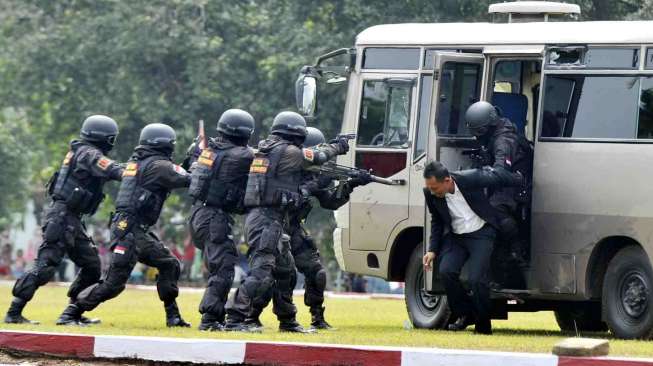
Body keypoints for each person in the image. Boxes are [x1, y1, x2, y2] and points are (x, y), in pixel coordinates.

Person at [224, 111, 349, 333]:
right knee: (262, 272)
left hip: (270, 220)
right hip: (266, 220)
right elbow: (317, 157)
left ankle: (288, 321)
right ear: (296, 133)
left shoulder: (269, 151)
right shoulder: (288, 152)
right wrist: (337, 146)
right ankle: (234, 318)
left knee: (286, 271)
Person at [62, 123, 192, 327]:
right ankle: (70, 313)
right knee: (113, 284)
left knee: (169, 264)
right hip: (129, 232)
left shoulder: (140, 163)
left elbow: (179, 174)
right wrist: (199, 159)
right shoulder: (158, 166)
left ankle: (173, 316)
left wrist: (190, 160)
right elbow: (189, 179)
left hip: (134, 230)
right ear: (167, 144)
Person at [243, 127, 372, 330]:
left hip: (292, 228)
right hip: (272, 223)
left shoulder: (318, 174)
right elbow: (287, 192)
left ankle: (317, 318)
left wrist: (350, 185)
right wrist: (310, 187)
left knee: (316, 271)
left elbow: (331, 202)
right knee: (268, 274)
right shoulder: (284, 166)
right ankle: (250, 316)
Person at [4, 115, 122, 325]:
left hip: (72, 219)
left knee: (92, 266)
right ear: (103, 137)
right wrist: (135, 171)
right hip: (62, 217)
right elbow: (112, 169)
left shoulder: (82, 151)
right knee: (45, 265)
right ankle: (14, 313)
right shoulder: (88, 153)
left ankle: (72, 313)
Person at [421, 161, 523, 335]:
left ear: (447, 180)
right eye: (429, 188)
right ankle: (464, 314)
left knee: (477, 279)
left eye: (435, 188)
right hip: (457, 238)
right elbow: (437, 221)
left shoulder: (469, 178)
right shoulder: (430, 194)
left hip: (481, 233)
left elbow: (495, 177)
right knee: (446, 271)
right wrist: (432, 250)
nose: (432, 191)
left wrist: (518, 178)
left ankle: (483, 326)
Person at [187, 109, 255, 331]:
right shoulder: (240, 155)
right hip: (214, 218)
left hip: (199, 215)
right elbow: (264, 157)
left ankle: (213, 318)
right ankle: (210, 320)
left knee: (220, 266)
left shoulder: (209, 151)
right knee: (223, 269)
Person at [464, 101, 533, 268]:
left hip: (517, 185)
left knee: (494, 208)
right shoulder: (496, 133)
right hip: (507, 183)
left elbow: (500, 171)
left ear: (487, 128)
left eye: (479, 132)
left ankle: (516, 248)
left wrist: (473, 176)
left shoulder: (504, 140)